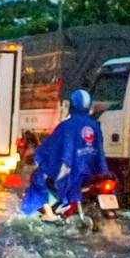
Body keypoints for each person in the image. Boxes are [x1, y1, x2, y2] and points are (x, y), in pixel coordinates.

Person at [20, 89, 108, 219]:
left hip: (72, 171)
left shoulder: (66, 126)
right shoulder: (94, 125)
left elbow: (51, 147)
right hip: (94, 171)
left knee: (39, 178)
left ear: (71, 104)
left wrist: (40, 154)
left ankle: (49, 214)